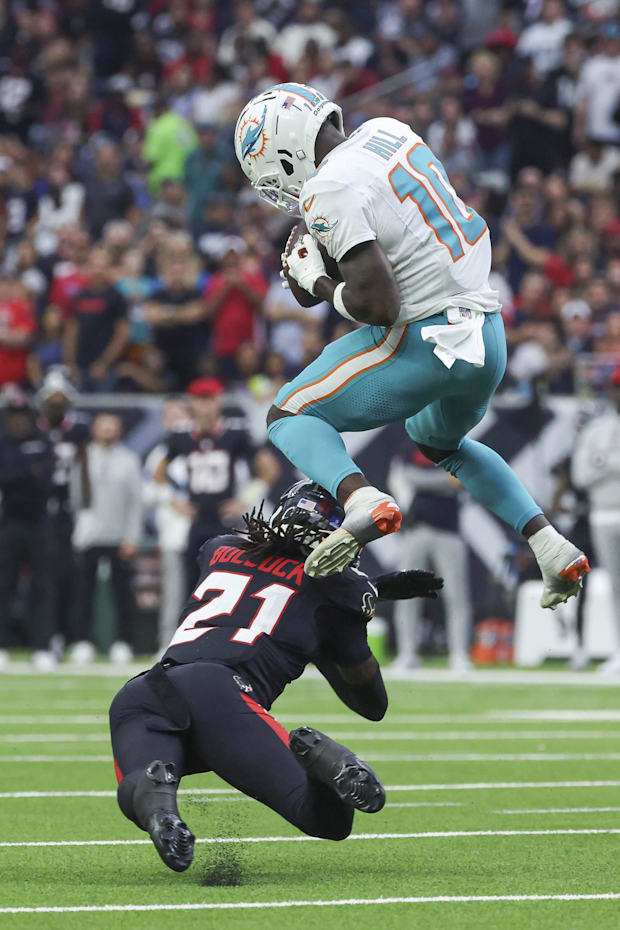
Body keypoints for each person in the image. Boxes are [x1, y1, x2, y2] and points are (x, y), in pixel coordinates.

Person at [234, 82, 589, 609]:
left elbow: (379, 304)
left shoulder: (327, 187)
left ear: (285, 154)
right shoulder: (387, 131)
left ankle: (361, 498)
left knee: (288, 413)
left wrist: (319, 283)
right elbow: (397, 237)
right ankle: (547, 542)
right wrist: (321, 268)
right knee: (438, 441)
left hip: (424, 339)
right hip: (486, 335)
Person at [109, 479, 442, 872]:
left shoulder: (219, 548)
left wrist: (369, 592)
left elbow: (270, 580)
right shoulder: (341, 591)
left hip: (144, 693)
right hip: (221, 693)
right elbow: (371, 703)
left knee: (137, 785)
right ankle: (322, 762)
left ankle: (157, 805)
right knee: (328, 822)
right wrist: (353, 614)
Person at [154, 377, 260, 593]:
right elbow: (158, 473)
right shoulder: (182, 436)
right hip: (195, 520)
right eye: (200, 399)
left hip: (225, 520)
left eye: (209, 399)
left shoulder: (235, 434)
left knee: (227, 582)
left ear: (219, 400)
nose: (205, 406)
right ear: (191, 402)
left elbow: (269, 470)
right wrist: (173, 500)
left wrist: (245, 500)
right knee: (192, 585)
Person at [71, 413, 143, 665]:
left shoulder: (128, 460)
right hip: (87, 536)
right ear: (94, 429)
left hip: (119, 535)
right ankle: (83, 641)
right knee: (83, 592)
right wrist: (77, 532)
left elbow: (135, 501)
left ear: (120, 430)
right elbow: (74, 498)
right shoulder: (81, 457)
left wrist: (132, 535)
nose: (108, 430)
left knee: (122, 592)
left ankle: (123, 642)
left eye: (112, 426)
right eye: (103, 426)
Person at [36, 367, 90, 656]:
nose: (56, 405)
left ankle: (75, 636)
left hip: (73, 509)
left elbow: (88, 472)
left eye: (61, 399)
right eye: (52, 399)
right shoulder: (34, 430)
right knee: (45, 575)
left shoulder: (79, 431)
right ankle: (47, 635)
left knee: (73, 574)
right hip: (39, 511)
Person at [0, 385, 55, 671]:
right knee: (3, 584)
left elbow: (47, 479)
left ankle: (42, 646)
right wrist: (27, 469)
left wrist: (19, 470)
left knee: (42, 586)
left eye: (22, 415)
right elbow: (8, 476)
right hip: (8, 522)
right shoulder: (3, 442)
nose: (18, 420)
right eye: (14, 415)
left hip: (38, 522)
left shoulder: (43, 440)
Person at [572, 367, 620, 675]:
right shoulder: (597, 429)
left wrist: (605, 463)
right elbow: (580, 476)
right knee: (616, 586)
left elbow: (595, 468)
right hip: (603, 513)